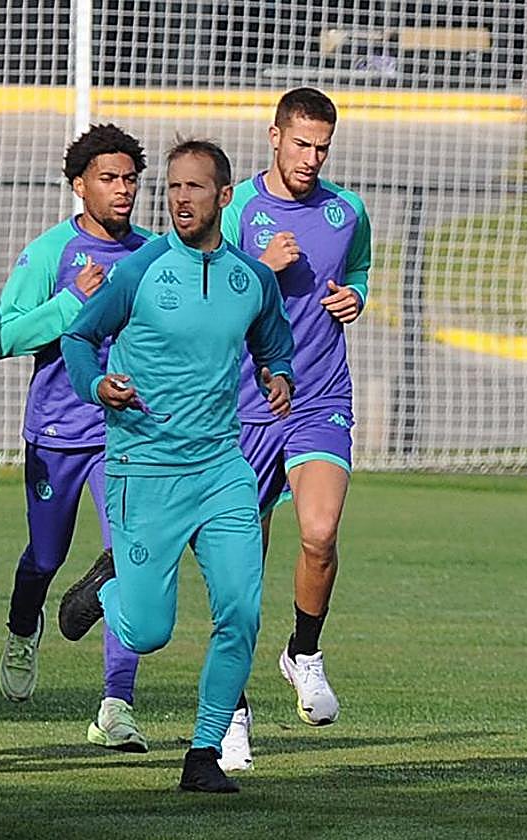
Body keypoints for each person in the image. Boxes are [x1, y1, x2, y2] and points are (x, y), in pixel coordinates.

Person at [57, 139, 294, 793]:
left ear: (223, 197)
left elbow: (273, 339)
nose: (179, 199)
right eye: (171, 187)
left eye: (193, 187)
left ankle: (202, 753)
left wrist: (280, 374)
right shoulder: (141, 270)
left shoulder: (252, 278)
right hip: (144, 467)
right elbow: (79, 335)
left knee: (241, 612)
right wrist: (96, 385)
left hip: (221, 467)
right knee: (145, 632)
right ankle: (104, 591)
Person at [217, 87, 371, 772]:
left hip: (318, 397)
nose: (310, 158)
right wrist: (258, 270)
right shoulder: (237, 211)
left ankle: (302, 652)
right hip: (245, 405)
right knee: (238, 573)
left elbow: (358, 265)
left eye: (321, 147)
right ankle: (232, 712)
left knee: (319, 533)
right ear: (273, 137)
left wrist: (354, 295)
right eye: (300, 143)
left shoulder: (345, 212)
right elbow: (200, 292)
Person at [0, 124, 153, 752]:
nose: (122, 190)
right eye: (108, 179)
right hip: (58, 433)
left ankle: (116, 704)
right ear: (79, 185)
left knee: (132, 566)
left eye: (130, 179)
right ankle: (24, 627)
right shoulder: (51, 251)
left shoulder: (153, 254)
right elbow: (4, 337)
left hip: (130, 437)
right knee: (46, 557)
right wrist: (65, 305)